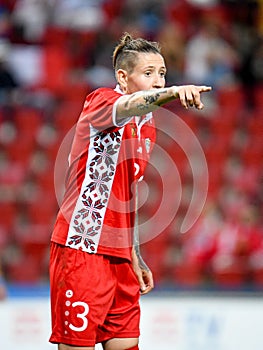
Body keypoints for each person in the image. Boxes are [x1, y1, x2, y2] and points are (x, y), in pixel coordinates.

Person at [49, 32, 211, 350]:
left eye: (162, 73)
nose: (158, 81)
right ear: (123, 77)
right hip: (83, 249)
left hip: (120, 258)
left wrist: (133, 252)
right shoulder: (102, 102)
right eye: (148, 73)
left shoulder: (147, 124)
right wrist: (175, 92)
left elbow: (128, 193)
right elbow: (132, 104)